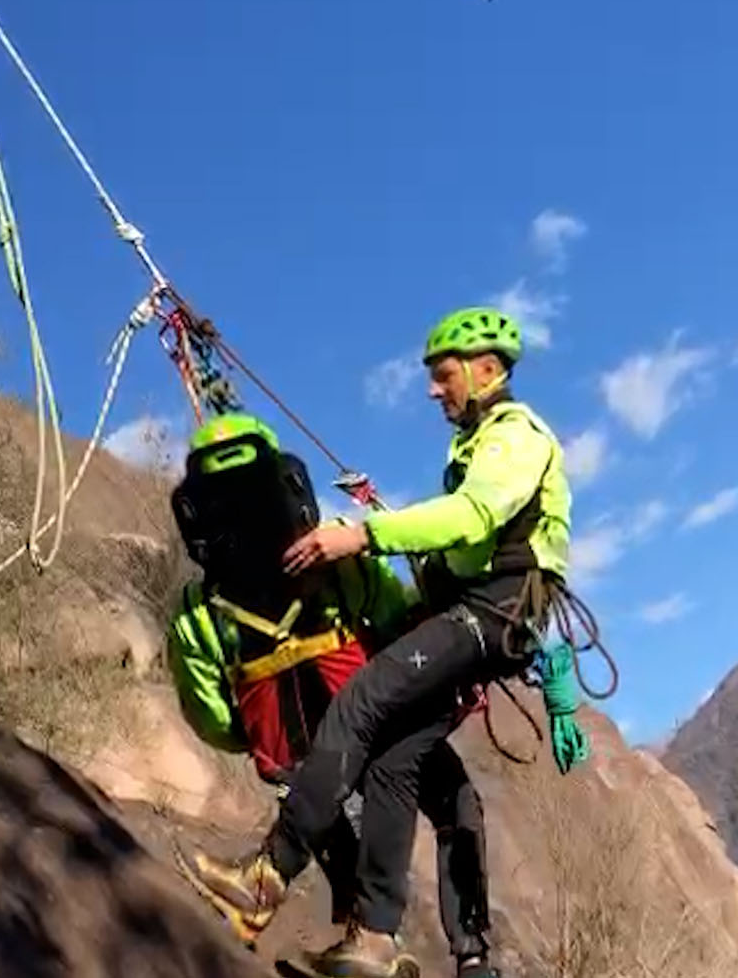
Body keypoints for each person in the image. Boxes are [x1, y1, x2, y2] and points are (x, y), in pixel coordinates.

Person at [179, 307, 583, 978]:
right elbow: (465, 549)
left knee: (361, 702)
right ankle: (383, 942)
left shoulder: (515, 435)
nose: (433, 390)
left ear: (488, 368)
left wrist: (361, 534)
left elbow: (474, 515)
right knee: (400, 761)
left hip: (493, 611)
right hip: (490, 612)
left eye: (444, 375)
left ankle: (266, 877)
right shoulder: (481, 444)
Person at [164, 413, 497, 971]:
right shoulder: (336, 557)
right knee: (456, 802)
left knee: (345, 856)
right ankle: (470, 958)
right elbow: (393, 624)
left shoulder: (198, 615)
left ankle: (348, 937)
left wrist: (253, 737)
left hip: (296, 763)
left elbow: (212, 718)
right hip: (376, 731)